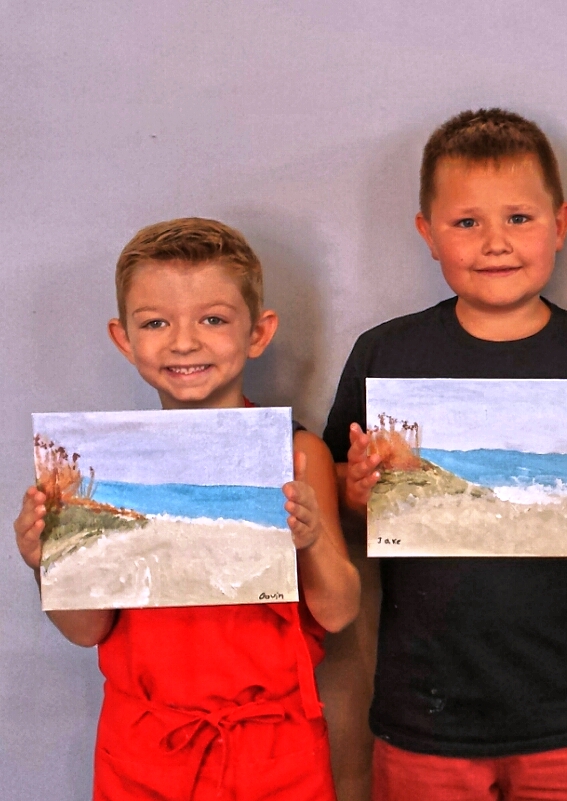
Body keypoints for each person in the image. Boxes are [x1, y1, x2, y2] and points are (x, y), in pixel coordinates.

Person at [323, 109, 567, 801]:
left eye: (518, 218)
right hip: (424, 709)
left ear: (560, 224)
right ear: (427, 233)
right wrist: (355, 491)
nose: (495, 242)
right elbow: (337, 497)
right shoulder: (386, 353)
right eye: (465, 222)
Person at [13, 217, 361, 799]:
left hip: (275, 745)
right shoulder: (96, 469)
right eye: (156, 322)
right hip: (142, 746)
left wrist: (312, 537)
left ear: (258, 332)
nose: (183, 342)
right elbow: (86, 629)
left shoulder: (298, 454)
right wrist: (43, 562)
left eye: (213, 319)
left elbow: (339, 611)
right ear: (125, 339)